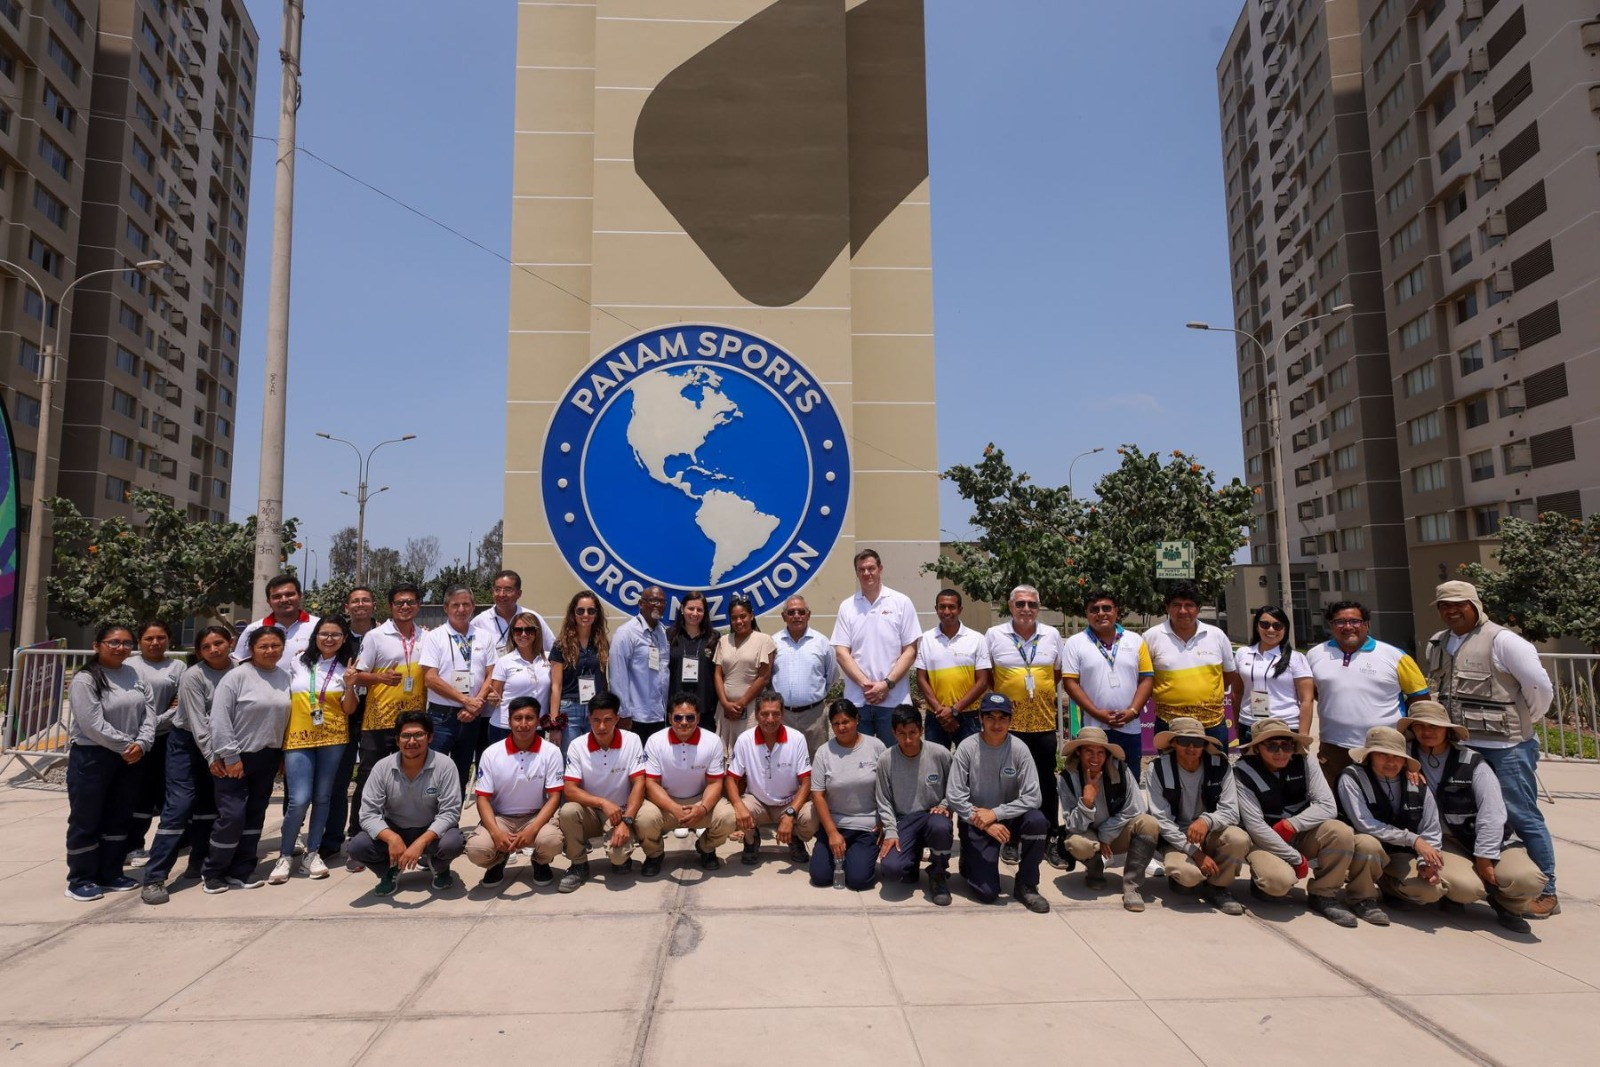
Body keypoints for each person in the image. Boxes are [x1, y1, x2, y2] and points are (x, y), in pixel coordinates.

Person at [1424, 579, 1559, 919]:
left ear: (1476, 604)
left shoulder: (1503, 641)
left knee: (1521, 815)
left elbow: (1539, 689)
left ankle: (1547, 889)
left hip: (1505, 747)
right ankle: (1485, 879)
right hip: (1459, 747)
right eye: (1444, 605)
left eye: (1459, 603)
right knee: (1463, 813)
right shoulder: (1438, 643)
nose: (1451, 610)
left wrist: (1522, 726)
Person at [1398, 700, 1542, 932]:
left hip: (1485, 835)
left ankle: (1508, 906)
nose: (1427, 732)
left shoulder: (1472, 761)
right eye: (1420, 726)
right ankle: (1455, 897)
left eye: (1435, 726)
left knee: (1528, 879)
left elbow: (1493, 814)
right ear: (1411, 730)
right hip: (1443, 840)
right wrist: (1405, 765)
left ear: (1448, 730)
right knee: (1467, 888)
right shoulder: (1402, 757)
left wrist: (1485, 857)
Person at [1233, 719, 1386, 927]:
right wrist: (1295, 858)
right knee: (1277, 884)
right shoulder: (1242, 771)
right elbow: (1255, 826)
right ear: (1257, 748)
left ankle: (1324, 894)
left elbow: (1327, 806)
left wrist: (1292, 825)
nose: (1280, 752)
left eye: (1286, 745)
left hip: (1300, 833)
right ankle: (1261, 881)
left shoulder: (1306, 761)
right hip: (1264, 839)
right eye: (1271, 746)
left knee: (1339, 831)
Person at [142, 625, 234, 904]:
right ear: (198, 652)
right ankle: (155, 877)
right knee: (179, 807)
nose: (214, 650)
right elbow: (197, 722)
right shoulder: (193, 676)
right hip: (188, 744)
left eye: (218, 643)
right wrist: (212, 757)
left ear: (230, 643)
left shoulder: (241, 670)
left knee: (209, 808)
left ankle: (200, 862)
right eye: (206, 647)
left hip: (221, 745)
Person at [64, 623, 155, 902]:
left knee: (119, 816)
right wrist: (127, 744)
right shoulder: (86, 679)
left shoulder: (134, 674)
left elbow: (149, 712)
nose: (121, 648)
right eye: (113, 642)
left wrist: (142, 743)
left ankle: (111, 872)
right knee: (88, 818)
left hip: (130, 757)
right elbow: (91, 724)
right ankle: (81, 878)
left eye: (127, 643)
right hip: (93, 757)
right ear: (97, 645)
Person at [202, 626, 292, 895]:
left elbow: (287, 719)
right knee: (232, 816)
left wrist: (282, 754)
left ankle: (243, 869)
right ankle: (215, 871)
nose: (270, 651)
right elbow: (219, 719)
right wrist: (230, 756)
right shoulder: (236, 677)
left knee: (255, 815)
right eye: (263, 646)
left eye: (275, 645)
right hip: (236, 757)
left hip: (268, 756)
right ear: (251, 649)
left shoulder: (285, 677)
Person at [269, 617, 359, 884]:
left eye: (335, 634)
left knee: (323, 797)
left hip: (333, 737)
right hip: (298, 736)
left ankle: (312, 852)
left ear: (344, 638)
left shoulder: (347, 667)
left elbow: (349, 710)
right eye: (324, 634)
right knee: (299, 799)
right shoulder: (297, 661)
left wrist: (351, 684)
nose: (329, 639)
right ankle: (285, 854)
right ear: (315, 637)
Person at [984, 585, 1067, 869]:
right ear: (1010, 606)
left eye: (1032, 604)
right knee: (1010, 783)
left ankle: (1049, 839)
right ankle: (1012, 838)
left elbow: (1055, 674)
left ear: (1039, 607)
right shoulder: (995, 636)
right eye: (1020, 604)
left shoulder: (1052, 635)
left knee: (1045, 781)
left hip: (1043, 723)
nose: (1026, 609)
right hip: (1008, 726)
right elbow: (988, 677)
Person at [348, 582, 429, 870]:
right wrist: (380, 679)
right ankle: (358, 840)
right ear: (390, 607)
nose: (405, 607)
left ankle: (407, 842)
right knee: (370, 780)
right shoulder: (375, 636)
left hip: (413, 724)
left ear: (418, 605)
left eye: (410, 602)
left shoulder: (426, 637)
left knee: (409, 783)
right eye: (399, 603)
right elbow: (357, 676)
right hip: (379, 721)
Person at [947, 692, 1051, 912]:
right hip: (975, 819)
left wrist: (996, 814)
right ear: (980, 718)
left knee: (1037, 821)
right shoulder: (967, 748)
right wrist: (985, 822)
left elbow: (1034, 796)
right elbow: (955, 795)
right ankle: (969, 857)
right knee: (987, 893)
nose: (996, 724)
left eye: (1002, 718)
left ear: (1010, 721)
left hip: (1007, 819)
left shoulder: (1019, 749)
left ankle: (1027, 885)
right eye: (990, 717)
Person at [1306, 600, 1429, 781]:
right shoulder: (1315, 654)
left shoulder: (1395, 656)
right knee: (1336, 804)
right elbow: (1315, 692)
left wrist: (1414, 744)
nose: (1348, 627)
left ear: (1367, 624)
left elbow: (1420, 700)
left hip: (1385, 748)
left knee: (1386, 801)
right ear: (1331, 626)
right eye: (1340, 622)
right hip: (1334, 748)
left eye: (1355, 621)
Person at [348, 710, 467, 895]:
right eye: (406, 736)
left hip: (430, 830)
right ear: (397, 740)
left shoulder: (445, 765)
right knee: (357, 846)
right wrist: (392, 838)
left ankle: (440, 868)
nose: (412, 741)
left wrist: (421, 842)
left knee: (454, 842)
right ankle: (389, 870)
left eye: (419, 735)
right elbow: (368, 814)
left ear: (430, 738)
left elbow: (450, 812)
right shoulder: (382, 767)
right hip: (395, 828)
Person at [1335, 726, 1447, 918]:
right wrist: (1414, 840)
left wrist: (1425, 862)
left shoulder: (1417, 782)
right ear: (1369, 756)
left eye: (1397, 756)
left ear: (1405, 760)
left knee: (1429, 892)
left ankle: (1388, 884)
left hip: (1399, 853)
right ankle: (1361, 898)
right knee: (1368, 844)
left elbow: (1431, 828)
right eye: (1383, 755)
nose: (1391, 761)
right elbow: (1364, 824)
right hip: (1362, 848)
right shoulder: (1351, 777)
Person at [1146, 718, 1249, 915]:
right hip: (1176, 837)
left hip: (1210, 832)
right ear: (1174, 743)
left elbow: (1231, 811)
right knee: (1188, 878)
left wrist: (1206, 820)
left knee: (1238, 837)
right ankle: (1185, 874)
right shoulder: (1157, 769)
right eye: (1184, 741)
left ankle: (1218, 887)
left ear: (1205, 744)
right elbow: (1161, 820)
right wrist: (1195, 853)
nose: (1191, 748)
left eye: (1198, 742)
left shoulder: (1221, 766)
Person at [466, 696, 566, 889]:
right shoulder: (492, 753)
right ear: (509, 721)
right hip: (501, 818)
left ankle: (540, 861)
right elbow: (483, 798)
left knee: (552, 842)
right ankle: (497, 861)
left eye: (529, 718)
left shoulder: (551, 752)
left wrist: (533, 829)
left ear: (538, 721)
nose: (523, 724)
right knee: (477, 849)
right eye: (517, 718)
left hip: (535, 816)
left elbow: (554, 797)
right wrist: (495, 833)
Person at [1058, 725, 1161, 912]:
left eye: (1100, 752)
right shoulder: (1067, 778)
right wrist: (1086, 802)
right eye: (1089, 751)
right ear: (1079, 753)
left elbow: (1136, 808)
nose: (1095, 758)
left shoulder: (1121, 770)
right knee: (1076, 843)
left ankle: (1132, 887)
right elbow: (1072, 825)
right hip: (1088, 835)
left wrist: (1106, 833)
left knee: (1149, 823)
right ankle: (1094, 869)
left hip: (1116, 835)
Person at [635, 694, 737, 873]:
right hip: (665, 802)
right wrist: (674, 808)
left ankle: (706, 848)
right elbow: (651, 784)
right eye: (678, 717)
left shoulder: (712, 741)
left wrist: (703, 808)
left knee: (728, 817)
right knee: (644, 819)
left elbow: (714, 783)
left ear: (698, 718)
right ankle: (654, 855)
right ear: (670, 718)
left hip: (699, 801)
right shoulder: (655, 741)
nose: (684, 722)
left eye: (690, 717)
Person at [558, 693, 647, 892]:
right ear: (588, 718)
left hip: (621, 813)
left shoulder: (632, 740)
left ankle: (622, 857)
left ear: (617, 719)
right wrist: (602, 803)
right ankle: (578, 865)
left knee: (618, 858)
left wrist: (627, 821)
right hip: (591, 811)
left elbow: (639, 784)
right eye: (596, 720)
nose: (601, 727)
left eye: (608, 720)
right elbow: (570, 790)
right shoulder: (577, 745)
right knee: (568, 811)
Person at [831, 548, 920, 745]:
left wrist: (886, 684)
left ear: (880, 569)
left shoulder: (901, 602)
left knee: (895, 760)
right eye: (861, 569)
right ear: (856, 572)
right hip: (858, 701)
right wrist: (867, 685)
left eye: (871, 568)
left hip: (894, 701)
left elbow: (910, 650)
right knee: (861, 763)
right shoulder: (847, 606)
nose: (866, 573)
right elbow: (841, 653)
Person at [1143, 581, 1243, 752]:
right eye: (1176, 605)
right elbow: (1145, 678)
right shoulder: (1151, 637)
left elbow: (1228, 674)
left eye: (1189, 605)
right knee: (1170, 774)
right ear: (1167, 607)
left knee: (1216, 773)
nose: (1183, 611)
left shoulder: (1216, 635)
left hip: (1212, 724)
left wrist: (1206, 695)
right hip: (1169, 725)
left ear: (1198, 608)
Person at [724, 690, 818, 867]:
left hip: (789, 802)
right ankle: (751, 840)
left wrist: (791, 813)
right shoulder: (745, 739)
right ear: (757, 715)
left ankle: (795, 838)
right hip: (758, 803)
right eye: (765, 714)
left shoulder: (796, 739)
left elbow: (807, 781)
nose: (770, 719)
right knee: (733, 812)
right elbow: (731, 779)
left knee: (811, 816)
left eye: (775, 714)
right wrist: (738, 806)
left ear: (782, 714)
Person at [1060, 589, 1153, 766]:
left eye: (1106, 608)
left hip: (1130, 726)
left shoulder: (1136, 641)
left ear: (1116, 611)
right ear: (1086, 613)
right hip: (1093, 727)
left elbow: (1147, 679)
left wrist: (1132, 712)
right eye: (1094, 609)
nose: (1101, 613)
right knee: (1094, 779)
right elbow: (1070, 683)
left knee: (1129, 781)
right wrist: (1097, 713)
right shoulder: (1075, 643)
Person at [321, 585, 378, 865]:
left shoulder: (384, 635)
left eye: (365, 600)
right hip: (341, 717)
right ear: (347, 607)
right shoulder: (337, 639)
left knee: (370, 780)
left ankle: (361, 837)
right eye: (355, 601)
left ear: (373, 605)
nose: (360, 605)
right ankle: (331, 841)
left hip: (377, 717)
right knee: (338, 781)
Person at [876, 706, 954, 905]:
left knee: (940, 826)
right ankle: (911, 860)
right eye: (901, 734)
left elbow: (955, 787)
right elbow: (883, 800)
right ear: (894, 732)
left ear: (921, 730)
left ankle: (938, 874)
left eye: (912, 733)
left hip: (932, 816)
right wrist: (891, 831)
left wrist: (945, 805)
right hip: (904, 820)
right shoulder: (886, 759)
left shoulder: (940, 754)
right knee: (892, 870)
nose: (908, 740)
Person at [808, 699, 887, 891]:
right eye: (836, 723)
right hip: (835, 825)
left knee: (858, 881)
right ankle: (843, 854)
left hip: (867, 827)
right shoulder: (824, 752)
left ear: (857, 720)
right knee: (820, 877)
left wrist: (884, 821)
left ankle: (857, 857)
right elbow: (817, 795)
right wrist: (832, 833)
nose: (841, 727)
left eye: (846, 722)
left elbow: (888, 788)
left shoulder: (876, 746)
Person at [124, 620, 186, 867]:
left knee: (167, 791)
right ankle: (133, 845)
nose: (155, 642)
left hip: (165, 737)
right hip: (134, 739)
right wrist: (144, 729)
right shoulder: (129, 665)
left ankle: (173, 840)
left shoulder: (178, 667)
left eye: (160, 637)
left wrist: (157, 721)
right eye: (149, 638)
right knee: (138, 793)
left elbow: (180, 702)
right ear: (140, 641)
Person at [420, 585, 493, 791]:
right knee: (434, 774)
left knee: (461, 773)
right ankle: (432, 822)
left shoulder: (484, 636)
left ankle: (453, 822)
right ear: (446, 608)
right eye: (455, 605)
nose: (461, 609)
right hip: (441, 717)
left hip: (473, 717)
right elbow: (430, 678)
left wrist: (475, 704)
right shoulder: (435, 637)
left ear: (473, 607)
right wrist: (466, 701)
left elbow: (491, 674)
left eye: (466, 604)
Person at [914, 589, 991, 750]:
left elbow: (983, 681)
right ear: (936, 609)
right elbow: (921, 679)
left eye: (951, 607)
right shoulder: (926, 639)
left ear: (960, 610)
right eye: (942, 607)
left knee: (970, 766)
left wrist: (955, 710)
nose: (946, 611)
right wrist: (940, 711)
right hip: (936, 716)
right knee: (936, 767)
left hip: (969, 715)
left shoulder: (977, 639)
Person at [1233, 606, 1314, 743]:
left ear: (1285, 629)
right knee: (1249, 764)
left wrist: (1303, 735)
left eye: (1277, 626)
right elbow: (1237, 692)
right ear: (1256, 626)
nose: (1271, 630)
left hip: (1284, 726)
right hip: (1248, 724)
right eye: (1265, 624)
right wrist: (1236, 724)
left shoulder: (1296, 658)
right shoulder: (1242, 653)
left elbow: (1307, 699)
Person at [772, 595, 839, 757]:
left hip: (814, 716)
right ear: (784, 616)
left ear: (808, 615)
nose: (796, 616)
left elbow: (832, 675)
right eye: (791, 612)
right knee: (783, 761)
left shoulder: (822, 642)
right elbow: (767, 677)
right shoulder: (773, 642)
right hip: (782, 716)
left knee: (817, 762)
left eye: (801, 612)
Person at [713, 595, 776, 756]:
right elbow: (718, 674)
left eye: (743, 616)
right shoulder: (724, 640)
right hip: (725, 710)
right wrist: (725, 703)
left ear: (751, 616)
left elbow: (764, 677)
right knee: (724, 755)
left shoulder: (764, 640)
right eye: (734, 618)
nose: (739, 621)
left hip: (751, 709)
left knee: (749, 753)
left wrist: (741, 703)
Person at [548, 590, 611, 749]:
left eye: (591, 611)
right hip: (570, 710)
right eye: (580, 610)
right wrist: (555, 724)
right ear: (573, 613)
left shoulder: (601, 643)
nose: (586, 614)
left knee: (593, 758)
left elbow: (603, 681)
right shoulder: (561, 645)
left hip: (595, 710)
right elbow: (556, 686)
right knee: (569, 759)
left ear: (596, 614)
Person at [610, 586, 671, 738]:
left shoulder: (663, 632)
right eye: (653, 600)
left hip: (660, 715)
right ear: (641, 604)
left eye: (662, 601)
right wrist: (623, 713)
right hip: (636, 717)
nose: (658, 605)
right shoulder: (626, 633)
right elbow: (617, 675)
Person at [485, 611, 553, 745]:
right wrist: (491, 698)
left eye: (529, 630)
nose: (523, 634)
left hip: (536, 726)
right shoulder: (504, 661)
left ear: (536, 632)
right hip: (504, 726)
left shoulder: (550, 659)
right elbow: (495, 697)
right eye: (518, 630)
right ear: (512, 633)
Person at [233, 573, 319, 662]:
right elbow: (238, 662)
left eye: (289, 594)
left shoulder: (318, 626)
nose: (284, 600)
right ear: (268, 601)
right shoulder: (253, 629)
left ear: (300, 596)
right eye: (277, 596)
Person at [666, 590, 720, 730]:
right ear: (682, 609)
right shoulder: (669, 636)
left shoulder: (714, 638)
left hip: (705, 710)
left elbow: (719, 673)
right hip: (676, 710)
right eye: (691, 608)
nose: (695, 613)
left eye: (699, 610)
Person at [471, 569, 554, 656]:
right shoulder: (480, 622)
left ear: (519, 594)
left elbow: (552, 649)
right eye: (497, 589)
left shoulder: (532, 618)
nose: (502, 594)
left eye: (508, 590)